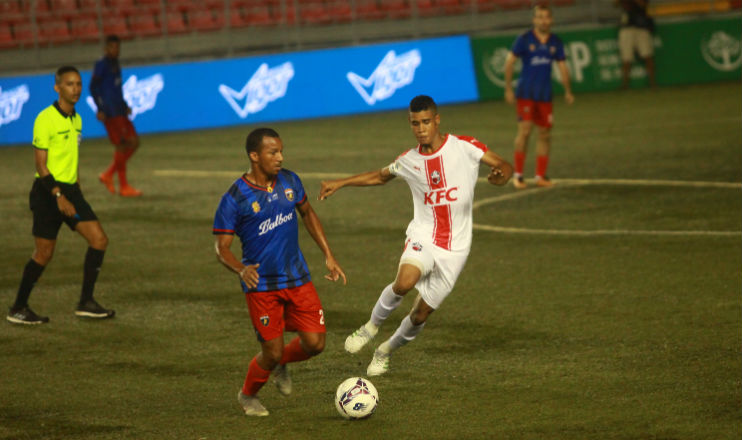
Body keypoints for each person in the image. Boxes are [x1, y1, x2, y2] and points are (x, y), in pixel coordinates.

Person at [318, 95, 512, 377]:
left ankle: (385, 351)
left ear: (437, 120)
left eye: (425, 122)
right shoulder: (408, 160)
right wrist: (341, 183)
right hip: (424, 235)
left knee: (420, 314)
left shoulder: (464, 147)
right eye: (414, 124)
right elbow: (380, 176)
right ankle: (370, 327)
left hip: (456, 249)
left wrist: (501, 176)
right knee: (405, 282)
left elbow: (503, 164)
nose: (420, 129)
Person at [213, 127, 347, 417]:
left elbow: (308, 213)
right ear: (254, 156)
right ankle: (248, 395)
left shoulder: (290, 181)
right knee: (270, 352)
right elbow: (221, 247)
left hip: (297, 277)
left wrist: (328, 255)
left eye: (281, 151)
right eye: (273, 152)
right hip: (261, 286)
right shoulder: (235, 198)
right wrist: (240, 268)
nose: (280, 157)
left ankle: (279, 362)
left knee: (315, 344)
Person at [7, 66, 115, 325]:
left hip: (70, 192)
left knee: (99, 240)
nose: (75, 89)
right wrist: (58, 195)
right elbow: (41, 166)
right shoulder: (45, 119)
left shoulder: (77, 119)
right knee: (43, 253)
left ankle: (85, 302)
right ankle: (18, 307)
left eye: (78, 84)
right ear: (57, 88)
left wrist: (75, 187)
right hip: (47, 193)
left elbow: (71, 157)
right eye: (69, 84)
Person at [503, 4, 574, 190]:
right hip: (526, 94)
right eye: (540, 17)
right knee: (525, 132)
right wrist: (508, 89)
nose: (543, 20)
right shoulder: (524, 39)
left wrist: (568, 90)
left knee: (544, 134)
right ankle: (518, 175)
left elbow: (563, 67)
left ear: (551, 20)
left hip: (545, 95)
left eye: (546, 17)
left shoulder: (556, 42)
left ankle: (540, 176)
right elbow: (509, 62)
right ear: (534, 20)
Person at [90, 34, 142, 197]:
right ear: (106, 49)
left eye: (117, 47)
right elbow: (93, 87)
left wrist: (124, 105)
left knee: (134, 142)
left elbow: (116, 88)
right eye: (112, 47)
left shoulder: (115, 63)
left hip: (119, 109)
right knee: (122, 144)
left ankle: (108, 174)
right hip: (110, 111)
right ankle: (124, 186)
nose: (116, 50)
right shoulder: (101, 64)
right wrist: (100, 108)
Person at [616, 0, 656, 88]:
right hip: (627, 27)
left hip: (641, 26)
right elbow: (616, 4)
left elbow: (643, 4)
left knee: (647, 55)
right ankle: (624, 84)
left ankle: (652, 83)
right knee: (626, 57)